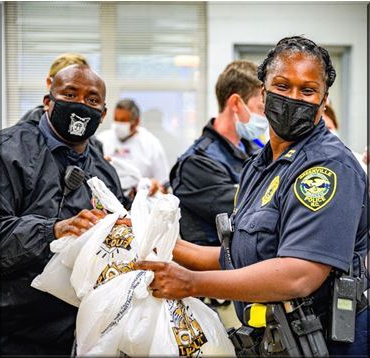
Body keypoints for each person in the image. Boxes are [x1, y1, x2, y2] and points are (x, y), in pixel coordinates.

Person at [135, 36, 369, 355]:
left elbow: (299, 274)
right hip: (273, 341)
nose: (293, 98)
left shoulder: (327, 167)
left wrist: (191, 282)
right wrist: (152, 242)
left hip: (324, 342)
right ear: (263, 91)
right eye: (283, 86)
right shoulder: (260, 165)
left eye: (308, 90)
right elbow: (238, 254)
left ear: (324, 100)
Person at [0, 64, 125, 356]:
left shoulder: (103, 172)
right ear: (48, 101)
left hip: (81, 331)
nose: (81, 105)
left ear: (103, 114)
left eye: (92, 100)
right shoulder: (7, 151)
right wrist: (53, 230)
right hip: (13, 330)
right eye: (69, 94)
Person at [170, 60, 268, 247]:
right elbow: (249, 216)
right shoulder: (196, 163)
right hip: (214, 269)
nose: (266, 118)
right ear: (236, 103)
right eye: (261, 109)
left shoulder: (256, 151)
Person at [97, 98, 170, 190]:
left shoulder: (151, 144)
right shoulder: (101, 140)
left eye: (123, 120)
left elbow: (163, 184)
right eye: (116, 119)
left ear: (136, 122)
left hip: (140, 199)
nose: (118, 124)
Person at [323, 103, 367, 172]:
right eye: (321, 129)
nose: (325, 133)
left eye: (329, 128)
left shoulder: (357, 161)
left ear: (336, 127)